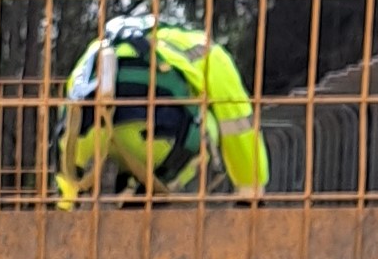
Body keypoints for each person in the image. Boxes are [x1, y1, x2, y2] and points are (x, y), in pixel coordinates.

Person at [59, 14, 270, 201]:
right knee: (211, 122)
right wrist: (251, 188)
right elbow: (238, 126)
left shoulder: (97, 48)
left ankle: (107, 191)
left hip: (90, 141)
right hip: (156, 139)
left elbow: (68, 117)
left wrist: (67, 198)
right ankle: (161, 192)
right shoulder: (204, 47)